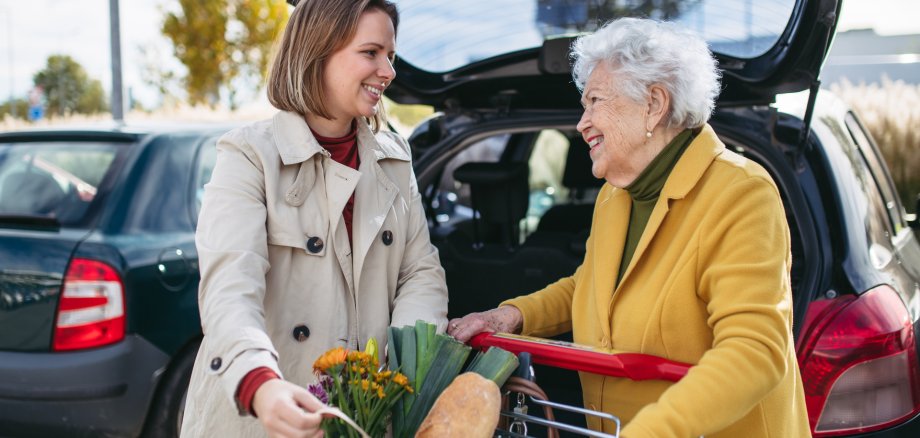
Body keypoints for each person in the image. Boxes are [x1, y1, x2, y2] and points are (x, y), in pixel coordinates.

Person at [448, 17, 810, 438]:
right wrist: (511, 315)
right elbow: (594, 285)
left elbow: (754, 353)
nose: (581, 123)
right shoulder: (617, 194)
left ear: (654, 104)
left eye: (595, 101)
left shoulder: (740, 193)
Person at [180, 1, 448, 437]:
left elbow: (420, 273)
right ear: (318, 50)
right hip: (262, 416)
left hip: (365, 418)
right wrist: (260, 384)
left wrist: (402, 377)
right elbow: (229, 289)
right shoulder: (249, 155)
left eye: (392, 57)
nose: (389, 71)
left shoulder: (396, 159)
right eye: (371, 52)